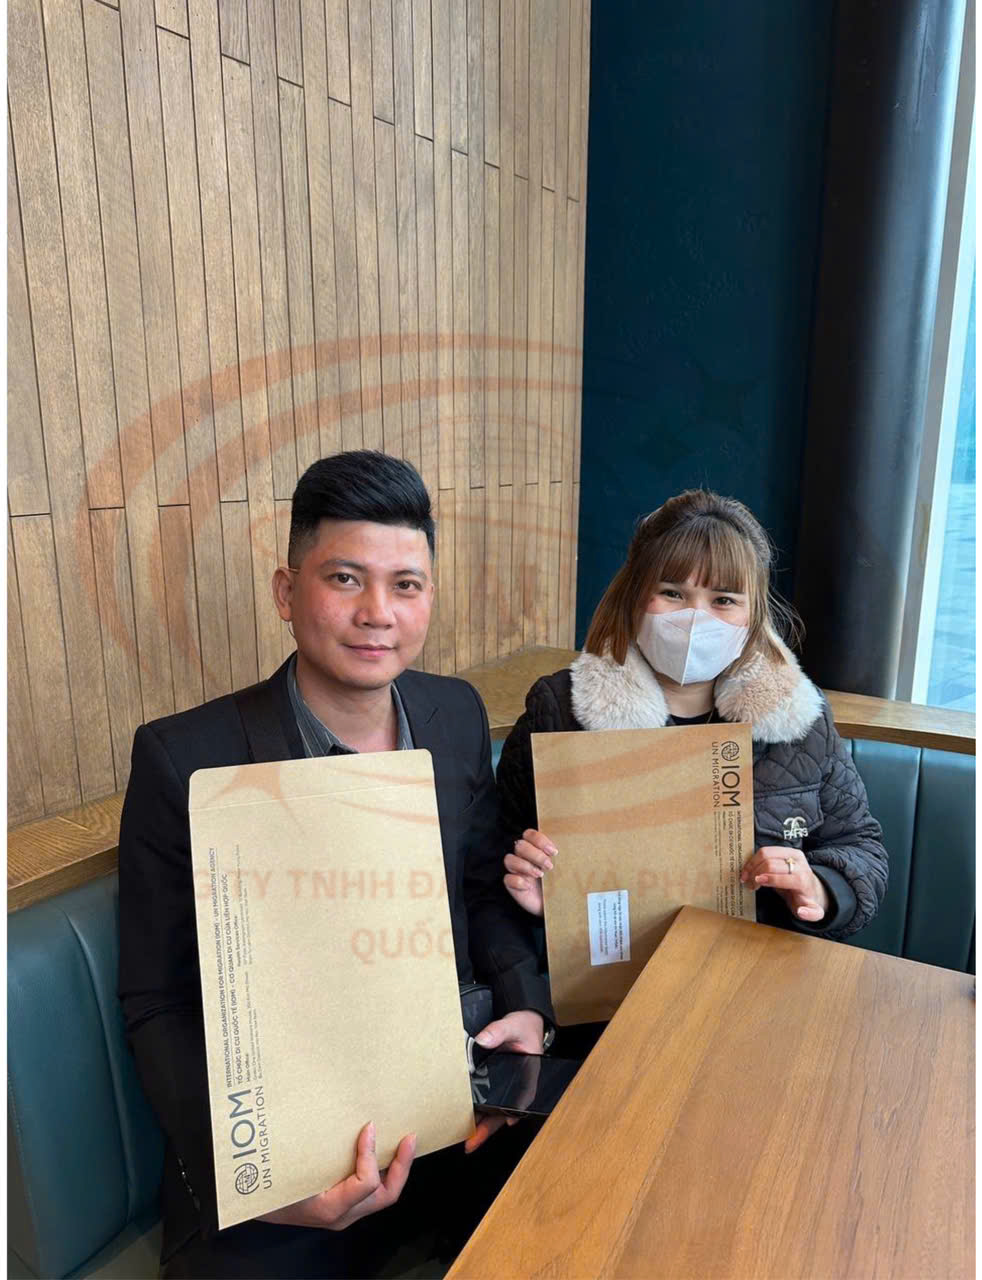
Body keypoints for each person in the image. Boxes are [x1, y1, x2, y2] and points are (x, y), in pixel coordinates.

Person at [118, 451, 553, 1279]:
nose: (377, 613)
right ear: (287, 593)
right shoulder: (186, 760)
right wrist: (259, 1180)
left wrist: (525, 1008)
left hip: (451, 1109)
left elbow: (479, 889)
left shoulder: (454, 712)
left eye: (406, 585)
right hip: (289, 1151)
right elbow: (157, 1001)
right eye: (345, 579)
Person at [497, 489, 888, 972]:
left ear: (754, 615)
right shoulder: (559, 709)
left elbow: (861, 845)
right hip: (613, 982)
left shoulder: (800, 721)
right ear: (634, 595)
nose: (695, 619)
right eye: (673, 593)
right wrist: (539, 896)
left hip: (760, 977)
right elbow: (498, 850)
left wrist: (819, 888)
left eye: (723, 600)